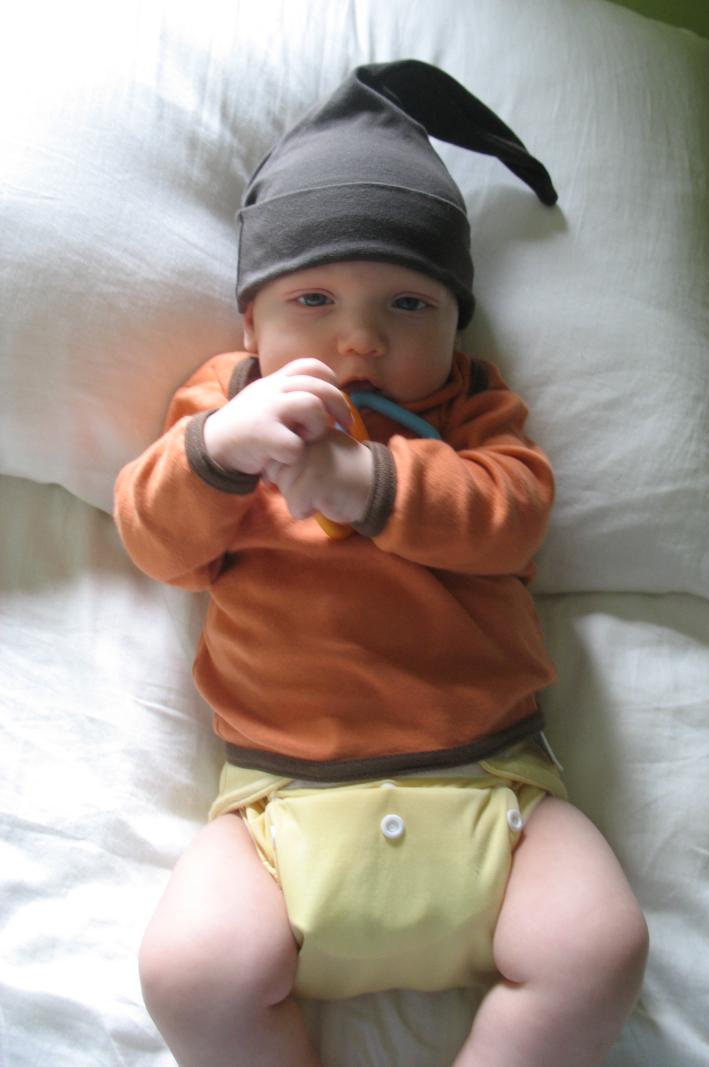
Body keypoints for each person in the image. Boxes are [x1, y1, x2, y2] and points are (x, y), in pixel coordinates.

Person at [115, 60, 648, 1067]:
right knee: (187, 971)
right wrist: (218, 451)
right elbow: (151, 536)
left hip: (493, 788)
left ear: (455, 324)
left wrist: (372, 483)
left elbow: (514, 517)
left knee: (601, 945)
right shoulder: (225, 407)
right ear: (250, 323)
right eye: (313, 298)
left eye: (408, 304)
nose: (359, 339)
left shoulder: (471, 412)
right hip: (279, 808)